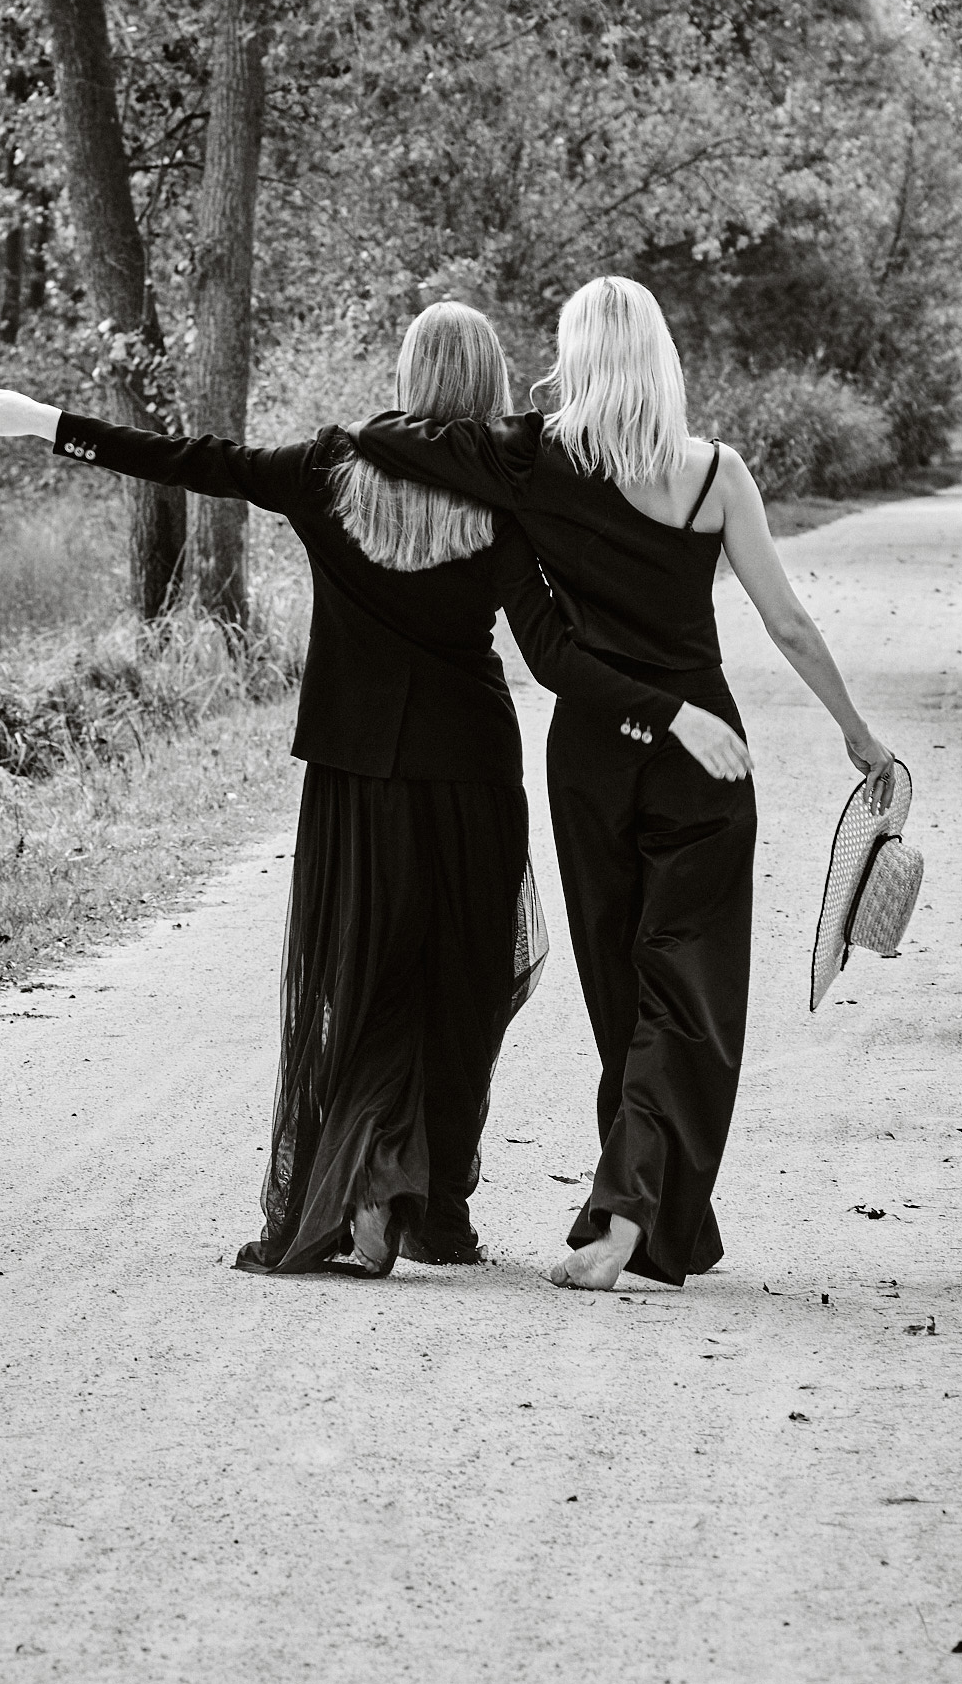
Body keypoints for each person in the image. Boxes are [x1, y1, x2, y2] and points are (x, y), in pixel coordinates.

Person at [0, 304, 749, 1280]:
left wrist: (47, 422)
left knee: (367, 979)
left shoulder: (326, 469)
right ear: (492, 383)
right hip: (470, 773)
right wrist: (666, 709)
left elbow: (194, 460)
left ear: (408, 374)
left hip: (355, 774)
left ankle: (373, 1179)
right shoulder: (499, 503)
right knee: (461, 988)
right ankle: (432, 1206)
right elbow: (553, 654)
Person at [351, 276, 897, 1291]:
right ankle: (634, 1214)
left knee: (621, 994)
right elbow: (786, 622)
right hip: (702, 757)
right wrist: (854, 732)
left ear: (575, 356)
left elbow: (400, 442)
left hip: (594, 757)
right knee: (688, 996)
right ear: (661, 357)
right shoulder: (715, 472)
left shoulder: (533, 459)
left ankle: (646, 1208)